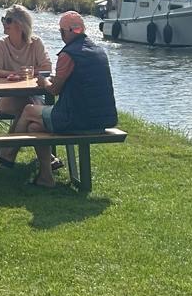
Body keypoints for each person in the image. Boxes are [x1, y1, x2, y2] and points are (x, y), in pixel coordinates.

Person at [14, 11, 119, 189]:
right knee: (34, 127)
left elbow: (54, 90)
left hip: (76, 119)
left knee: (29, 110)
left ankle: (7, 155)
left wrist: (44, 81)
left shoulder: (68, 54)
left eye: (61, 31)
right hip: (102, 119)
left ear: (65, 32)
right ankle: (45, 177)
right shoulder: (98, 51)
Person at [0, 4, 53, 170]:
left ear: (20, 24)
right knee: (30, 110)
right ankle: (49, 158)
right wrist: (13, 74)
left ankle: (6, 154)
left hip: (33, 96)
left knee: (28, 112)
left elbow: (47, 68)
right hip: (8, 98)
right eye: (3, 19)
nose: (4, 23)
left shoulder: (36, 43)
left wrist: (30, 72)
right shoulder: (1, 44)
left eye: (8, 20)